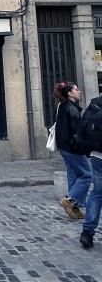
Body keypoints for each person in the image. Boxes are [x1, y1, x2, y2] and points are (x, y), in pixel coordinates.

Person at [53, 81, 92, 219]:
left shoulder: (62, 106)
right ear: (70, 93)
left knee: (74, 176)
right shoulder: (72, 109)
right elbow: (76, 134)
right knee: (87, 175)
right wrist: (85, 149)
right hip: (72, 148)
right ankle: (69, 199)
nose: (79, 91)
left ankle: (75, 208)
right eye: (76, 89)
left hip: (64, 147)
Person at [79, 94, 102, 249]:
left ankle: (87, 232)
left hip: (97, 155)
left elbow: (83, 128)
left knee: (97, 192)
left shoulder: (95, 104)